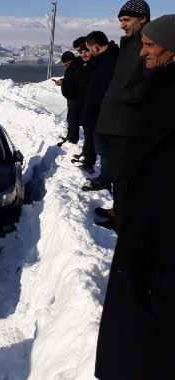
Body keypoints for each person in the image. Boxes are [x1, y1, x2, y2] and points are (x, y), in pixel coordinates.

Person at [94, 14, 175, 379]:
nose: (144, 52)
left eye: (150, 45)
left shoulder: (165, 94)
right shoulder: (158, 84)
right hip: (147, 213)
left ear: (172, 51)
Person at [90, 0, 151, 230]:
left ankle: (123, 221)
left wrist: (124, 96)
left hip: (129, 123)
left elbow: (150, 81)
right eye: (121, 21)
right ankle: (118, 210)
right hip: (118, 122)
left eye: (126, 20)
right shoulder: (130, 42)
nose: (122, 26)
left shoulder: (147, 42)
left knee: (124, 175)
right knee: (118, 172)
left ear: (142, 18)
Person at [79, 31, 119, 180]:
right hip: (98, 115)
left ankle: (105, 180)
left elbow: (102, 91)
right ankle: (104, 178)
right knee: (102, 149)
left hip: (101, 116)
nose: (87, 53)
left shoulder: (107, 63)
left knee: (104, 150)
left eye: (88, 49)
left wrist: (91, 110)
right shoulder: (105, 59)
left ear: (95, 47)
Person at [54, 50, 81, 146]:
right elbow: (70, 80)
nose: (65, 65)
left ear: (69, 60)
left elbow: (76, 81)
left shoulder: (76, 67)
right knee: (70, 119)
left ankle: (72, 140)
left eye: (65, 64)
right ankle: (70, 136)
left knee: (73, 119)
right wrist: (63, 81)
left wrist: (63, 83)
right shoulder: (73, 67)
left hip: (75, 98)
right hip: (71, 97)